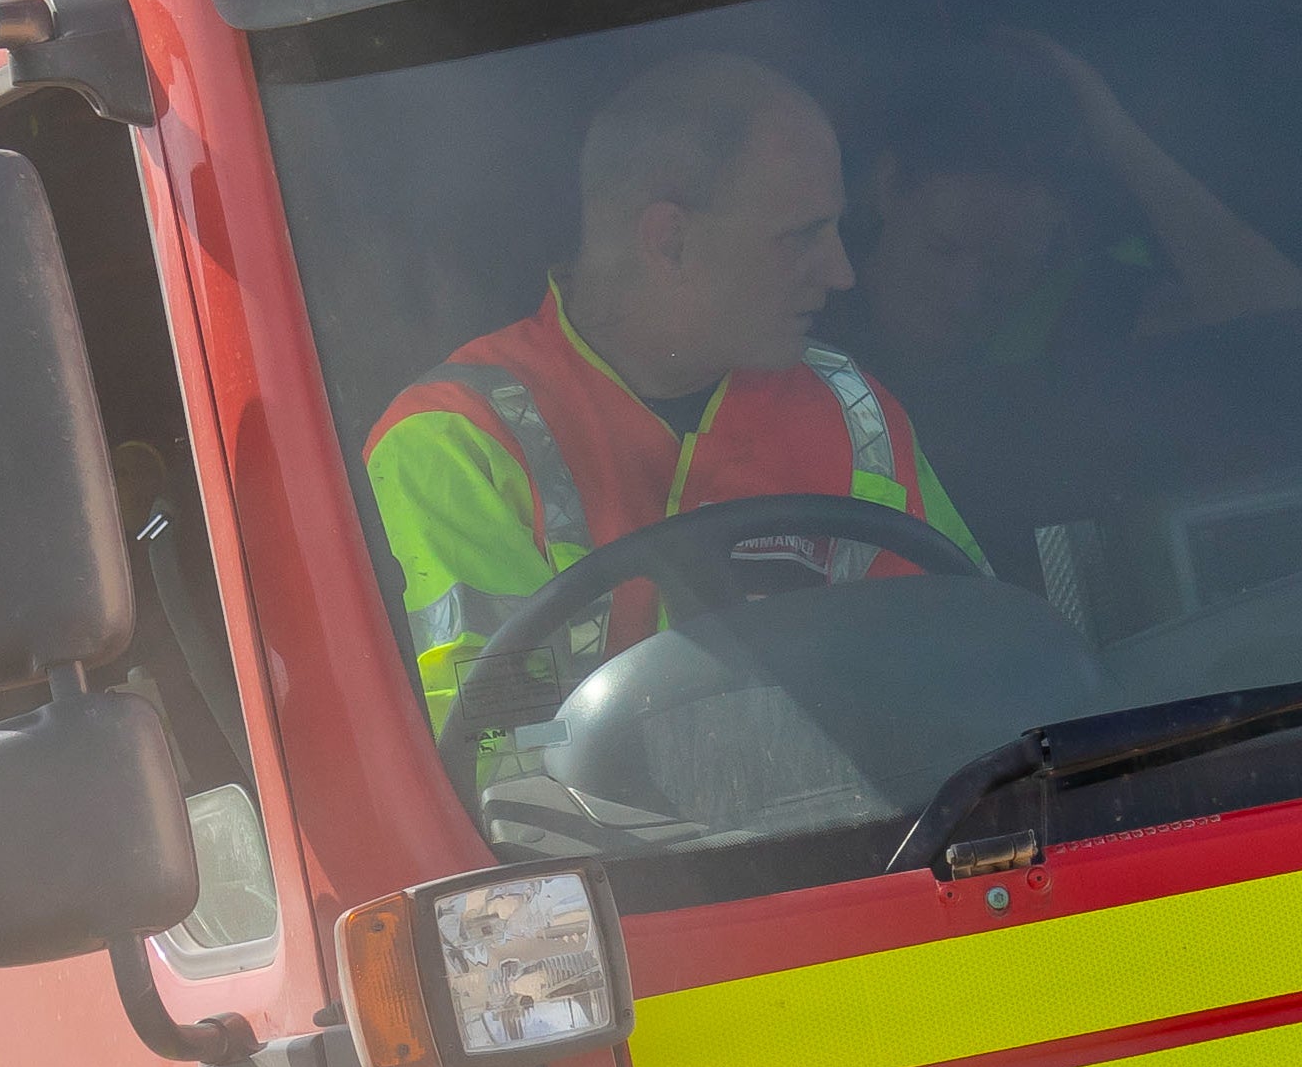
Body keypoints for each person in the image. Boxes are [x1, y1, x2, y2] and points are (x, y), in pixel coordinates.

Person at [364, 48, 975, 767]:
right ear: (669, 239)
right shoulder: (455, 439)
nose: (841, 272)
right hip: (628, 878)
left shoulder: (855, 407)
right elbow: (496, 768)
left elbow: (975, 673)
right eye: (802, 235)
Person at [834, 31, 1302, 538]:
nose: (964, 290)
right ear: (885, 189)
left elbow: (1288, 319)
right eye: (943, 248)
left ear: (1056, 236)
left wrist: (1118, 136)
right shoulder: (803, 306)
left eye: (1003, 265)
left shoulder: (1084, 308)